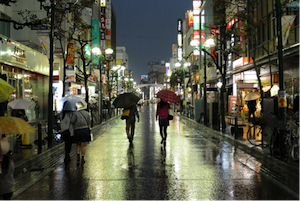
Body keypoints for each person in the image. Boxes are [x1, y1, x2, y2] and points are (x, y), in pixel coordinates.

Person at [0, 128, 14, 201]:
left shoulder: (6, 160)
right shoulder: (9, 160)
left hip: (4, 188)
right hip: (8, 188)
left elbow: (4, 174)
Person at [59, 101, 75, 166]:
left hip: (63, 132)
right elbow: (73, 121)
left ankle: (66, 155)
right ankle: (67, 156)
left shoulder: (62, 114)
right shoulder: (70, 115)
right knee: (69, 145)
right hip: (70, 132)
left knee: (66, 144)